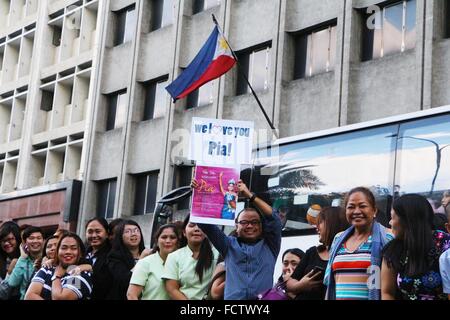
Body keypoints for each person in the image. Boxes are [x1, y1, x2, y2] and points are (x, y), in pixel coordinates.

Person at [194, 178, 282, 300]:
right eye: (244, 222)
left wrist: (249, 195)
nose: (250, 226)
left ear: (261, 226)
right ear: (236, 226)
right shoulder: (228, 245)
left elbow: (275, 219)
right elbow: (203, 222)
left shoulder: (270, 246)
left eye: (255, 222)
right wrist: (198, 193)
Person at [324, 187, 393, 300]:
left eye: (362, 206)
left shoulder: (387, 237)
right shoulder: (338, 239)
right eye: (351, 207)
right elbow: (330, 284)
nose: (356, 211)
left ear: (374, 210)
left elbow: (390, 290)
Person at [381, 194, 450, 300]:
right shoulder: (393, 249)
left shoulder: (444, 243)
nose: (390, 222)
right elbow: (387, 293)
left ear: (407, 220)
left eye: (392, 217)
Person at [287, 207, 349, 300]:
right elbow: (290, 282)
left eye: (320, 222)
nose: (316, 227)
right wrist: (301, 285)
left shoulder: (346, 255)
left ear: (332, 224)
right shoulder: (312, 252)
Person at [163, 215, 219, 300]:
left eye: (201, 226)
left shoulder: (218, 254)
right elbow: (172, 289)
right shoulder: (174, 257)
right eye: (192, 225)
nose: (197, 229)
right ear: (184, 232)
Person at [24, 232, 92, 300]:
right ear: (57, 251)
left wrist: (57, 276)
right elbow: (29, 296)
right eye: (64, 248)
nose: (68, 251)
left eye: (73, 248)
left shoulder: (79, 273)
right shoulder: (47, 268)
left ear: (80, 253)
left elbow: (60, 298)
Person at [127, 223, 180, 300]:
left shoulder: (183, 262)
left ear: (178, 242)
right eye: (164, 237)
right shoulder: (145, 263)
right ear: (157, 242)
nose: (168, 241)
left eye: (172, 237)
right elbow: (131, 295)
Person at [107, 220, 145, 300]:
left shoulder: (149, 254)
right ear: (120, 237)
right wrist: (141, 260)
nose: (134, 234)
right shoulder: (114, 256)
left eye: (136, 230)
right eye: (128, 231)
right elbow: (124, 281)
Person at [7, 226, 44, 299]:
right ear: (25, 242)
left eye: (39, 238)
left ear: (43, 240)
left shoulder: (49, 260)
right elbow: (12, 283)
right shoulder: (23, 261)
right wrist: (23, 258)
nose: (35, 241)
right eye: (31, 238)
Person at [85, 217, 112, 300]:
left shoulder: (112, 255)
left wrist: (91, 269)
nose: (94, 235)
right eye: (90, 232)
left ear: (107, 234)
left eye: (98, 231)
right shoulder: (82, 254)